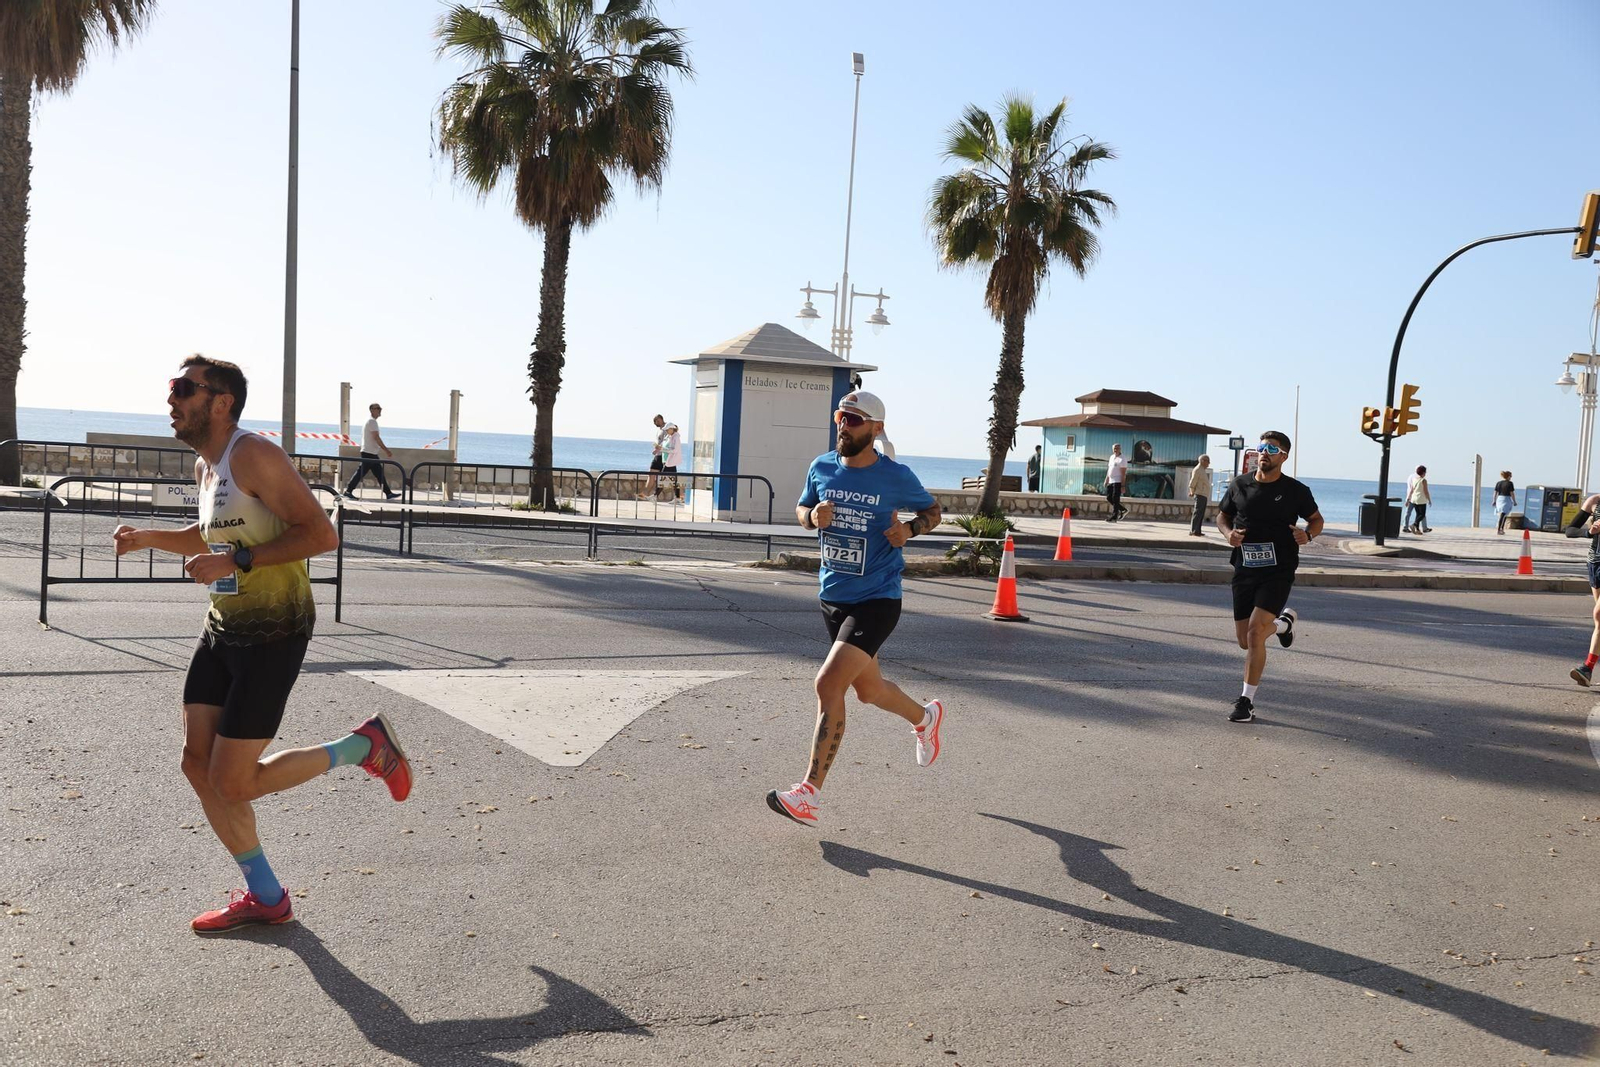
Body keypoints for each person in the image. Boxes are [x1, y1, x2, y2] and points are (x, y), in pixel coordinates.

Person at [114, 356, 413, 932]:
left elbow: (320, 534)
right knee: (196, 765)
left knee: (233, 780)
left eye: (181, 389)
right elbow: (211, 535)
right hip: (222, 627)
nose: (170, 399)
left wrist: (236, 560)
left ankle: (362, 747)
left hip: (274, 631)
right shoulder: (209, 466)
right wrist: (148, 537)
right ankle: (267, 896)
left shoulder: (253, 454)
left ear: (220, 401)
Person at [767, 390, 945, 824]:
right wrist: (812, 519)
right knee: (869, 691)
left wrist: (911, 529)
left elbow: (934, 511)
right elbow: (802, 506)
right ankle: (926, 719)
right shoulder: (821, 466)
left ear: (876, 429)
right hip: (832, 596)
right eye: (841, 417)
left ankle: (808, 793)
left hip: (878, 598)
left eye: (855, 420)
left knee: (829, 685)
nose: (844, 426)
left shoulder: (895, 475)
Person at [1216, 430, 1324, 723]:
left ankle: (1245, 702)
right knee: (1245, 640)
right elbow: (1222, 516)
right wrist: (1229, 535)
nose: (1264, 452)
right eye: (1261, 447)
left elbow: (1316, 520)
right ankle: (1283, 625)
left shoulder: (1296, 491)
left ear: (1283, 456)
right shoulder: (1239, 485)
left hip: (1279, 569)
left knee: (1254, 633)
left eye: (1271, 448)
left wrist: (1308, 535)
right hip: (1244, 567)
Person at [1564, 493, 1600, 686]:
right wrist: (1590, 532)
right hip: (1595, 564)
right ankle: (1588, 672)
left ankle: (1587, 666)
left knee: (1599, 614)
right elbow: (1569, 530)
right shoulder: (1595, 502)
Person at [342, 403, 398, 501]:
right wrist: (386, 450)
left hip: (371, 452)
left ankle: (388, 493)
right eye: (377, 408)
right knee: (361, 473)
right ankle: (348, 491)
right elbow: (376, 437)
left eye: (380, 408)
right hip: (369, 453)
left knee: (379, 473)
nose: (380, 410)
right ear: (372, 410)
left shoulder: (370, 421)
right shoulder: (372, 421)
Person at [640, 415, 683, 503]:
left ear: (671, 429)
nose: (666, 431)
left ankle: (655, 496)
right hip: (667, 461)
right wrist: (659, 448)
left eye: (667, 430)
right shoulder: (671, 436)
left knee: (663, 479)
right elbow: (667, 446)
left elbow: (674, 450)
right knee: (673, 480)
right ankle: (678, 498)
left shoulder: (676, 437)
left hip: (670, 461)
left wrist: (662, 449)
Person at [1188, 455, 1212, 537]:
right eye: (1207, 461)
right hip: (1200, 494)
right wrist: (1191, 491)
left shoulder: (1202, 470)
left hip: (1203, 494)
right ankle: (1193, 530)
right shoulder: (1198, 470)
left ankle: (1197, 530)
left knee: (1201, 513)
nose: (1208, 463)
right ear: (1202, 461)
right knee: (1197, 513)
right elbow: (1192, 482)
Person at [1104, 443, 1128, 522]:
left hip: (1118, 481)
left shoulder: (1122, 459)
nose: (1116, 450)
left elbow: (1124, 473)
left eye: (1117, 448)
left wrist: (1123, 485)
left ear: (1120, 449)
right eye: (1114, 448)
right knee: (1109, 497)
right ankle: (1123, 510)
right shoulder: (1111, 457)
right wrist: (1106, 480)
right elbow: (1109, 470)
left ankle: (1114, 517)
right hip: (1111, 481)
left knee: (1115, 498)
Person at [1406, 465, 1431, 534]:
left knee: (1418, 514)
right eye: (1425, 472)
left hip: (1414, 499)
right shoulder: (1424, 480)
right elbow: (1426, 491)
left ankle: (1417, 530)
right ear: (1423, 472)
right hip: (1421, 499)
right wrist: (1429, 499)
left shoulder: (1414, 479)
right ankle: (1414, 524)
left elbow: (1411, 490)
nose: (1425, 473)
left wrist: (1408, 499)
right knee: (1422, 515)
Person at [1494, 470, 1517, 535]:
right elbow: (1512, 493)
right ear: (1508, 476)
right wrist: (1514, 501)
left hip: (1499, 499)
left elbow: (1495, 493)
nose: (1511, 477)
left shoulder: (1498, 483)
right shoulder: (1510, 483)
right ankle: (1499, 529)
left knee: (1504, 514)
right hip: (1506, 499)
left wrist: (1494, 500)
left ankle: (1501, 529)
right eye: (1511, 476)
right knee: (1503, 514)